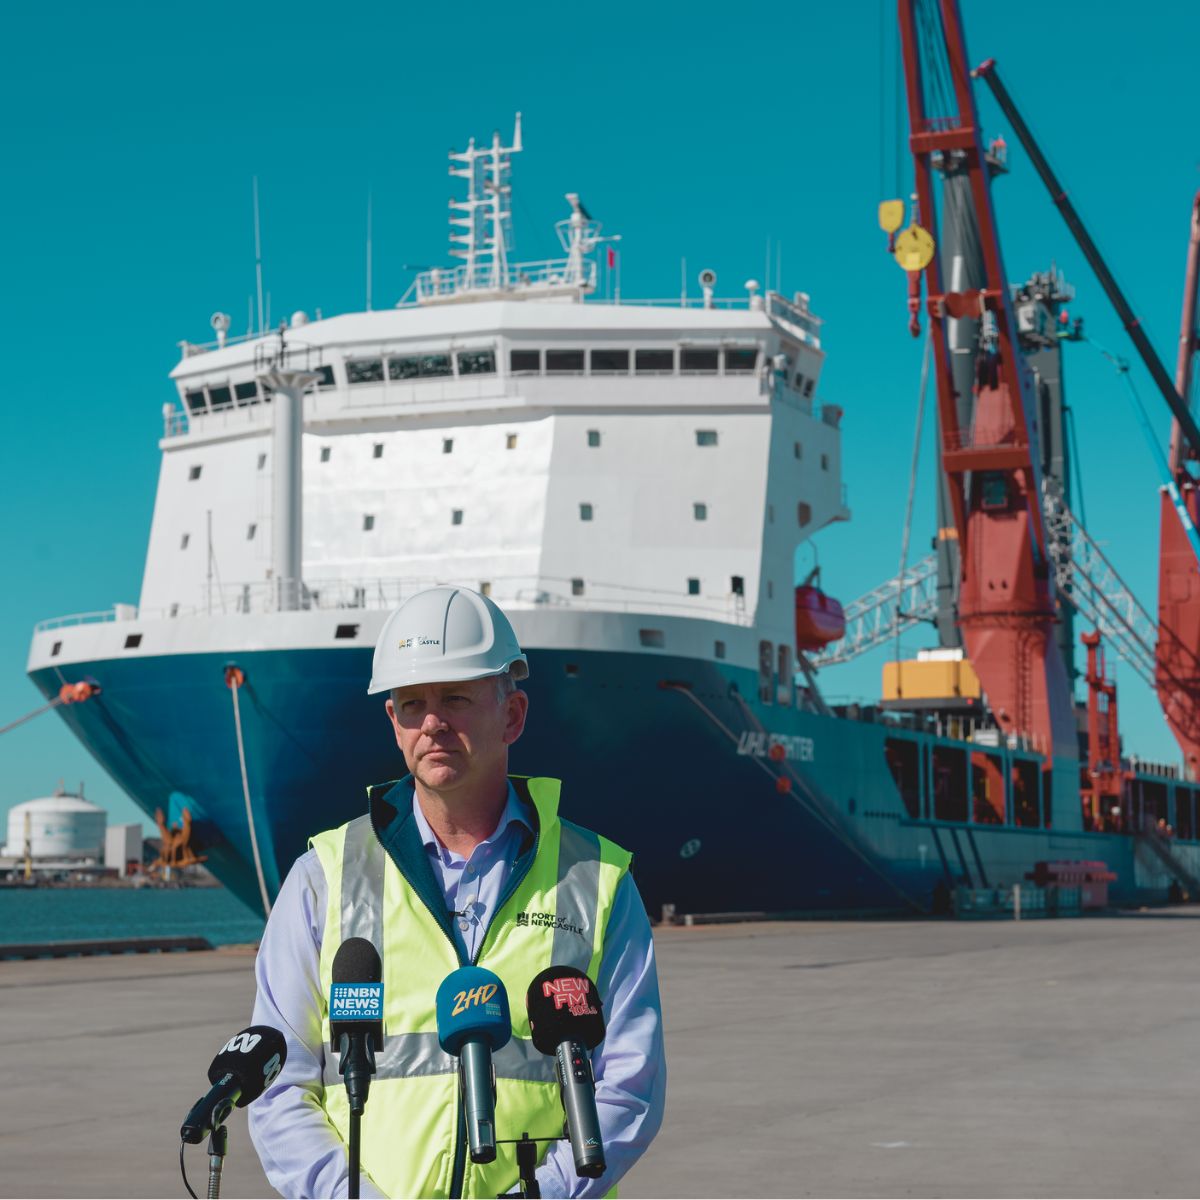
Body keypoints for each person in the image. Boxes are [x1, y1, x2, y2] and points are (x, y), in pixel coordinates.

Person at [248, 586, 666, 1198]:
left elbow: (630, 1083)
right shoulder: (323, 876)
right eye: (412, 703)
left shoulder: (598, 879)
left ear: (513, 716)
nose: (433, 721)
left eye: (456, 698)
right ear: (393, 723)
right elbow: (280, 1083)